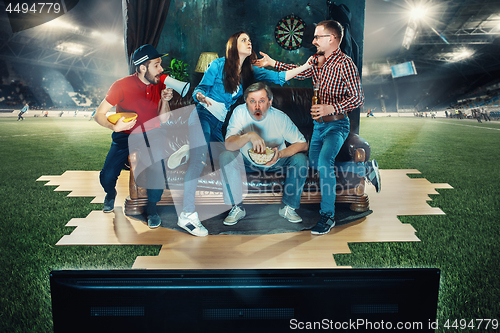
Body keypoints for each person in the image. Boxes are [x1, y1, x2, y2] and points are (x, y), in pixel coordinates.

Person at [177, 31, 314, 237]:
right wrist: (200, 96)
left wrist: (305, 67)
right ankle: (187, 214)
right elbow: (201, 88)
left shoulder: (251, 71)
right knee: (198, 161)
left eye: (250, 39)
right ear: (232, 45)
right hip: (204, 115)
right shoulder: (218, 65)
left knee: (221, 158)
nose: (249, 42)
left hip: (217, 123)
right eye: (244, 40)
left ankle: (192, 146)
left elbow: (279, 77)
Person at [255, 20, 381, 235]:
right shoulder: (315, 60)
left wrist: (331, 108)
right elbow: (299, 71)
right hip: (318, 126)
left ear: (331, 39)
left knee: (324, 161)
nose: (313, 41)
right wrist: (272, 63)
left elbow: (358, 98)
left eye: (317, 37)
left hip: (337, 125)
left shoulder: (345, 64)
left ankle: (327, 216)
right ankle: (364, 168)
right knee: (315, 164)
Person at [94, 44, 173, 229]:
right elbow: (98, 114)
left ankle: (152, 209)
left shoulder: (160, 83)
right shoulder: (120, 85)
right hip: (124, 136)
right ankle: (110, 193)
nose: (161, 69)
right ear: (142, 68)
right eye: (156, 65)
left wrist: (165, 100)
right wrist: (115, 126)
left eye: (160, 64)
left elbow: (164, 118)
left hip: (151, 134)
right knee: (107, 176)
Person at [219, 82, 308, 225]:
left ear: (270, 102)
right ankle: (237, 208)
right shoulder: (239, 113)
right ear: (246, 102)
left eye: (262, 101)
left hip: (275, 161)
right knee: (226, 156)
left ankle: (288, 208)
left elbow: (303, 144)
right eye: (252, 101)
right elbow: (229, 145)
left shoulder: (280, 118)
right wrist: (249, 136)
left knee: (300, 159)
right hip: (246, 161)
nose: (257, 107)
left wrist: (280, 154)